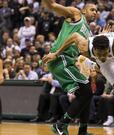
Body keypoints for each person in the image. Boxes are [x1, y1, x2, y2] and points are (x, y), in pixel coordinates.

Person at [43, 32, 114, 135]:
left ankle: (94, 65)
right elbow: (74, 36)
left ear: (108, 48)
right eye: (99, 54)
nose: (102, 57)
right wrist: (56, 53)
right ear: (93, 49)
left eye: (104, 53)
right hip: (106, 62)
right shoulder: (85, 47)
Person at [42, 0, 97, 135]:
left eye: (96, 11)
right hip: (60, 58)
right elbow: (53, 6)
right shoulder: (76, 14)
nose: (95, 12)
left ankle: (82, 130)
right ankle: (60, 125)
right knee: (86, 92)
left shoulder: (89, 33)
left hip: (68, 61)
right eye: (92, 9)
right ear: (84, 11)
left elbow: (87, 55)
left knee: (87, 93)